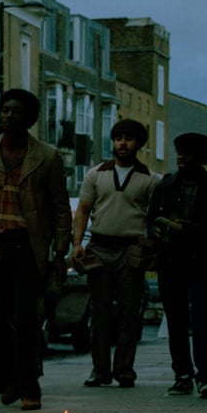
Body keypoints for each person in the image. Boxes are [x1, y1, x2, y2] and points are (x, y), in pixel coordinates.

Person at [0, 87, 70, 412]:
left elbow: (59, 208)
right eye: (5, 110)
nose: (10, 116)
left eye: (17, 111)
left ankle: (30, 386)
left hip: (29, 246)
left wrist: (60, 251)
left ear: (30, 118)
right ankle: (9, 377)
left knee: (26, 319)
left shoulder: (47, 156)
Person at [72, 119, 159, 389]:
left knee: (129, 313)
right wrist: (77, 244)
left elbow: (155, 218)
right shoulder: (96, 174)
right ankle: (100, 370)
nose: (123, 142)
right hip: (99, 245)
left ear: (139, 144)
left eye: (129, 138)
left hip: (130, 248)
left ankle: (124, 370)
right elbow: (83, 211)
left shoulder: (151, 179)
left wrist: (149, 247)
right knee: (99, 312)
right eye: (118, 137)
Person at [146, 130, 207, 398]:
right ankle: (182, 375)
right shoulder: (166, 186)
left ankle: (205, 376)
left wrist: (193, 229)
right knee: (176, 320)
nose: (181, 157)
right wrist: (156, 231)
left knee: (203, 320)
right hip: (170, 260)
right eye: (179, 152)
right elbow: (151, 218)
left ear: (200, 157)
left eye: (187, 153)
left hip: (200, 260)